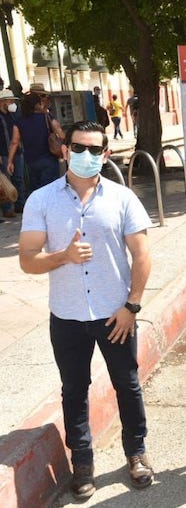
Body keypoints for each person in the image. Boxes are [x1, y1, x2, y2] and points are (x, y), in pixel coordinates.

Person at [18, 121, 155, 499]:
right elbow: (27, 260)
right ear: (64, 149)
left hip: (116, 315)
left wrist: (132, 306)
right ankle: (83, 464)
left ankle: (137, 453)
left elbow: (142, 256)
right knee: (74, 390)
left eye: (95, 150)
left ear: (106, 155)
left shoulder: (123, 198)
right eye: (79, 147)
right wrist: (62, 256)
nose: (87, 156)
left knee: (127, 385)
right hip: (67, 315)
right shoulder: (41, 200)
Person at [15, 91, 63, 196]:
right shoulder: (46, 116)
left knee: (37, 190)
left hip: (31, 161)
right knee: (51, 189)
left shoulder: (20, 121)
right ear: (37, 104)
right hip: (48, 159)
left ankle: (40, 210)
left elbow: (15, 142)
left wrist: (10, 161)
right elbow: (60, 132)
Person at [1, 89, 25, 217]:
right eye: (9, 100)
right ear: (3, 102)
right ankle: (7, 208)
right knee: (6, 181)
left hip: (17, 151)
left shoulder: (13, 115)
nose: (11, 103)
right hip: (4, 152)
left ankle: (20, 204)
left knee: (18, 178)